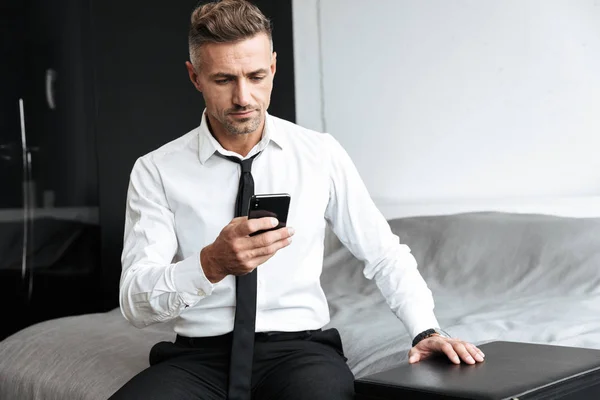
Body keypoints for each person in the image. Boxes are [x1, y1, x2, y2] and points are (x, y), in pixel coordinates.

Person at [110, 1, 485, 399]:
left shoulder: (320, 154)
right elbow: (134, 300)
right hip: (198, 358)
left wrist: (425, 328)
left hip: (299, 352)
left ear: (273, 67)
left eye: (256, 76)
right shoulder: (156, 170)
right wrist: (210, 264)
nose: (243, 97)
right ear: (195, 77)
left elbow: (383, 254)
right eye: (223, 80)